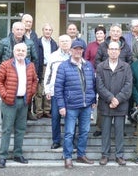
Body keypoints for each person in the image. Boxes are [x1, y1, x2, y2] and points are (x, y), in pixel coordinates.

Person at [0, 43, 38, 168]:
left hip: (24, 102)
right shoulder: (6, 64)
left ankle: (18, 154)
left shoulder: (30, 65)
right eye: (18, 50)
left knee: (20, 130)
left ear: (26, 52)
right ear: (14, 52)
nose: (20, 52)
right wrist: (5, 94)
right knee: (7, 130)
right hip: (9, 102)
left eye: (23, 50)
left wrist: (31, 93)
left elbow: (35, 80)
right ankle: (2, 157)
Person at [54, 39, 96, 169]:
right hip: (71, 106)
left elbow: (93, 85)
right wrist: (61, 106)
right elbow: (58, 88)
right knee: (69, 133)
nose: (78, 51)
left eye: (80, 49)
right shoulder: (63, 66)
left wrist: (93, 100)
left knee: (84, 131)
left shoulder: (88, 65)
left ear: (83, 51)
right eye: (75, 49)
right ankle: (68, 157)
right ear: (71, 50)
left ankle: (81, 154)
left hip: (86, 106)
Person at [96, 41, 133, 166]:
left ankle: (119, 155)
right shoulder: (101, 66)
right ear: (107, 51)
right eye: (111, 49)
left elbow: (128, 85)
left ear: (119, 51)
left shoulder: (126, 66)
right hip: (105, 104)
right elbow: (99, 86)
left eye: (115, 49)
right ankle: (105, 155)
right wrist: (111, 98)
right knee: (105, 131)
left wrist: (118, 99)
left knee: (119, 131)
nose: (113, 51)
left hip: (121, 105)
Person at [94, 23, 132, 137]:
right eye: (113, 31)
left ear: (121, 33)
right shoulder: (103, 45)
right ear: (110, 33)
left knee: (120, 108)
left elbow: (130, 60)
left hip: (121, 78)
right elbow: (97, 60)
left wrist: (124, 71)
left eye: (118, 31)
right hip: (105, 77)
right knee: (103, 107)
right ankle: (101, 128)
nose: (115, 33)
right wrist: (102, 70)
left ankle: (120, 129)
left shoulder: (125, 46)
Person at [44, 35, 71, 149]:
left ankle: (70, 141)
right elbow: (48, 74)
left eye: (67, 41)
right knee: (55, 117)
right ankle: (56, 140)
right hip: (56, 92)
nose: (64, 43)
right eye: (62, 41)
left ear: (70, 43)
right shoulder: (53, 56)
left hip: (71, 92)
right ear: (59, 43)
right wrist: (47, 89)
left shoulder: (74, 55)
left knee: (71, 118)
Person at [35, 23, 58, 119]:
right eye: (46, 29)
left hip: (51, 68)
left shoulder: (54, 43)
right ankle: (39, 111)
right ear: (43, 31)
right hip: (41, 67)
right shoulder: (37, 42)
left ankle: (47, 110)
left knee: (49, 89)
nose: (48, 31)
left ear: (52, 32)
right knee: (39, 90)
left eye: (49, 30)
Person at [84, 25, 106, 121]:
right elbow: (86, 59)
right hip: (93, 72)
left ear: (105, 34)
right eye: (97, 33)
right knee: (92, 93)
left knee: (103, 93)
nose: (99, 35)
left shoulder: (108, 45)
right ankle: (91, 112)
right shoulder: (90, 46)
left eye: (101, 33)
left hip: (106, 73)